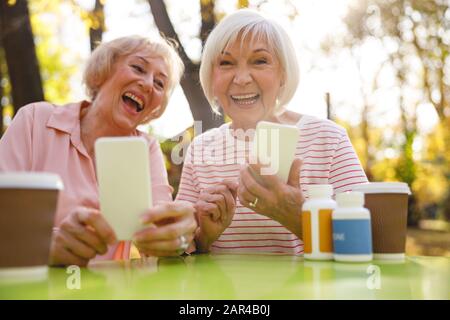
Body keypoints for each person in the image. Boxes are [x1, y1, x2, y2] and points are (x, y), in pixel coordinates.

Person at [176, 10, 368, 255]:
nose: (242, 78)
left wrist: (298, 217)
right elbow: (181, 252)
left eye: (260, 61)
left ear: (283, 75)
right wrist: (204, 237)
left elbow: (370, 243)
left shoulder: (328, 140)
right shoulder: (201, 148)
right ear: (211, 77)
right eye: (226, 63)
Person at [0, 36, 197, 266]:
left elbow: (156, 241)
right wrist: (45, 245)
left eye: (160, 83)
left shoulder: (147, 149)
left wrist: (175, 235)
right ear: (103, 71)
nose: (148, 84)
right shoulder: (35, 121)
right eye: (138, 68)